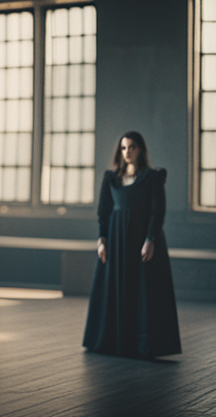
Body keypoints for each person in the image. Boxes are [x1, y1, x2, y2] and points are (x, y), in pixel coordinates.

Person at [83, 131, 181, 359]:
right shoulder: (111, 178)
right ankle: (112, 342)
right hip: (116, 241)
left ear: (140, 150)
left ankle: (142, 345)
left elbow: (158, 212)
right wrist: (102, 240)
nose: (127, 152)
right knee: (116, 288)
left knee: (142, 290)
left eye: (132, 147)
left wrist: (150, 239)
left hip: (140, 240)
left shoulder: (152, 177)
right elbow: (103, 213)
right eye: (124, 148)